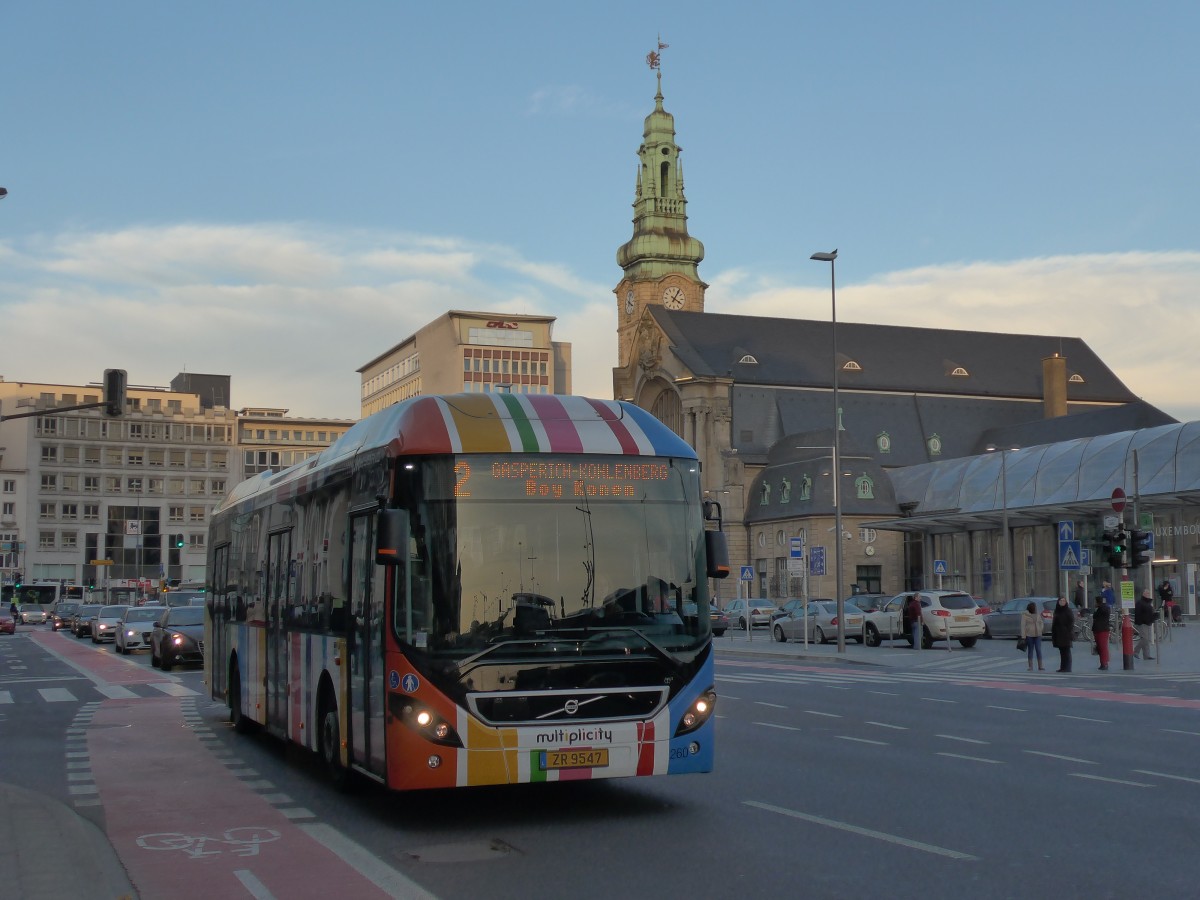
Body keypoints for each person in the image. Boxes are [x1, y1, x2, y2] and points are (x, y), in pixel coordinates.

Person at [1051, 596, 1074, 672]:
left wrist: (1068, 630)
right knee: (1062, 651)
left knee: (1066, 651)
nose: (1062, 602)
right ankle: (1063, 667)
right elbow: (1055, 622)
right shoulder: (1057, 610)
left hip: (1066, 633)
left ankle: (1068, 667)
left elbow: (1071, 622)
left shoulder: (1068, 610)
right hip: (1058, 633)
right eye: (1061, 601)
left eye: (1064, 601)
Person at [1020, 600, 1045, 671]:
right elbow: (1023, 626)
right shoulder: (1025, 615)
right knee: (1030, 650)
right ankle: (1030, 666)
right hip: (1029, 635)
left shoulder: (1037, 614)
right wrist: (1023, 636)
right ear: (1031, 608)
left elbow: (1041, 622)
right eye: (1034, 607)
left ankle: (1040, 666)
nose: (1036, 609)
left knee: (1038, 649)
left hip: (1038, 634)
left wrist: (1041, 629)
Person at [1134, 589, 1156, 660]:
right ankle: (1135, 651)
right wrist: (1139, 622)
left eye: (1148, 593)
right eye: (1146, 593)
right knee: (1145, 639)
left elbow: (1149, 612)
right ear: (1143, 594)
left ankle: (1146, 655)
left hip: (1147, 622)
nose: (1148, 594)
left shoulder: (1148, 603)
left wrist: (1154, 617)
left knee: (1146, 639)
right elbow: (1137, 613)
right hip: (1142, 623)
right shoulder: (1140, 603)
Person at [1092, 595, 1111, 670]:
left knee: (1102, 647)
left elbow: (1095, 616)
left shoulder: (1101, 608)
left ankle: (1104, 663)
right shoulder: (1104, 608)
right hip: (1099, 629)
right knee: (1101, 647)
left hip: (1101, 629)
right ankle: (1103, 663)